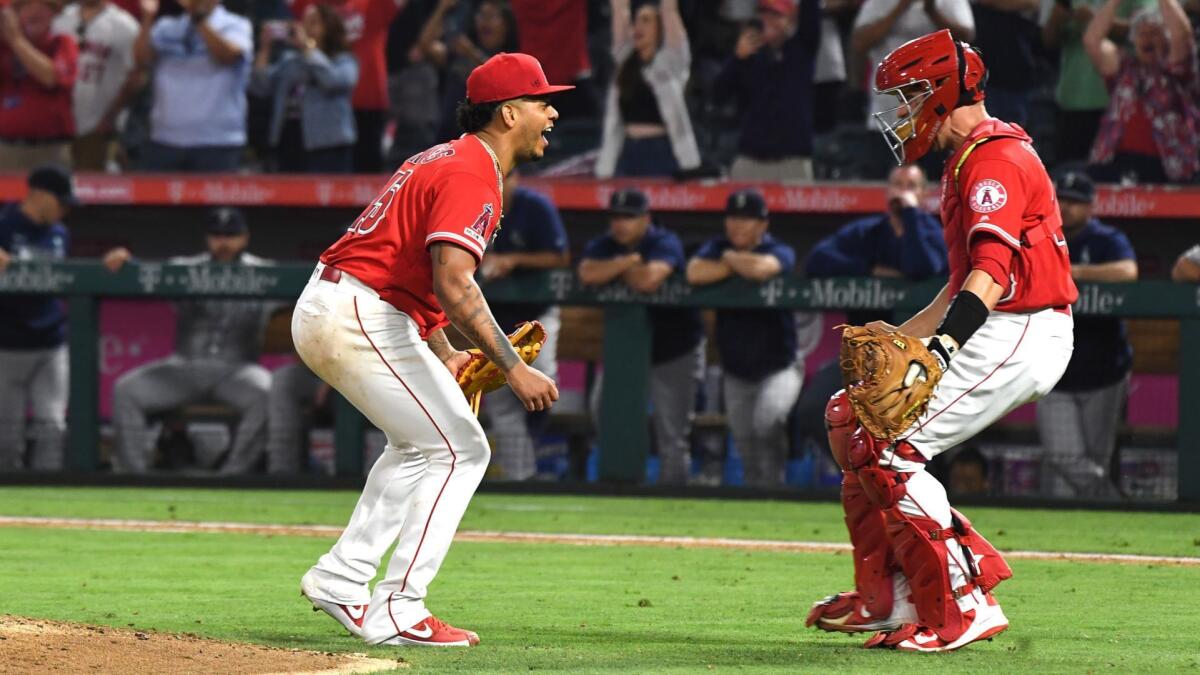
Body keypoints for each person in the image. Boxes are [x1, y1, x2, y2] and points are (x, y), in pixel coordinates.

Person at [806, 29, 1077, 652]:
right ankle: (890, 597)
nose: (899, 112)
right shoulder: (968, 157)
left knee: (889, 447)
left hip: (1023, 326)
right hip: (1004, 320)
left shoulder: (995, 159)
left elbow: (992, 275)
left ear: (942, 93)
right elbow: (960, 284)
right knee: (853, 416)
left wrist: (944, 348)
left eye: (908, 96)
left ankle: (963, 603)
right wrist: (902, 337)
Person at [293, 52, 565, 647]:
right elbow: (454, 281)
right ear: (510, 111)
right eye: (543, 101)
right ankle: (400, 608)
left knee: (422, 445)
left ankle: (343, 577)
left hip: (351, 306)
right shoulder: (474, 171)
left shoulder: (450, 156)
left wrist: (443, 350)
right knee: (459, 449)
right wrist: (511, 367)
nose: (553, 112)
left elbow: (420, 274)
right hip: (359, 312)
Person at [796, 163, 947, 463]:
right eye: (897, 185)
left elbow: (923, 267)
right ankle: (854, 473)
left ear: (923, 193)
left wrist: (912, 215)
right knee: (813, 408)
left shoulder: (931, 230)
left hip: (914, 358)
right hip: (862, 357)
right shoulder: (869, 232)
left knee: (914, 436)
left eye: (910, 185)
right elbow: (817, 260)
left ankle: (909, 494)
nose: (902, 192)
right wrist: (869, 271)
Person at [110, 208, 275, 474]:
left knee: (269, 393)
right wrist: (125, 263)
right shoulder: (185, 268)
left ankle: (233, 477)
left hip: (237, 371)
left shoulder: (265, 273)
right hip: (184, 367)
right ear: (207, 238)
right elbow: (145, 275)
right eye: (217, 235)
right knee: (126, 389)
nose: (223, 242)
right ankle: (135, 475)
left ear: (244, 238)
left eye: (230, 235)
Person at [0, 166, 126, 471]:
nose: (66, 209)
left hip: (49, 343)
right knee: (7, 438)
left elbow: (71, 277)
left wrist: (107, 264)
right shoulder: (4, 225)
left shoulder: (60, 234)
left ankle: (45, 503)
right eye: (61, 201)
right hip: (6, 346)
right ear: (39, 195)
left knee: (52, 427)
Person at [578, 188, 705, 485]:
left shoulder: (663, 241)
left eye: (629, 218)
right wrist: (627, 263)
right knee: (602, 411)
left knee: (672, 433)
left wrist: (615, 269)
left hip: (675, 349)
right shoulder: (605, 243)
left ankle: (674, 500)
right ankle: (618, 489)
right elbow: (586, 272)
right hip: (626, 353)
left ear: (646, 219)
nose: (620, 224)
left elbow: (648, 280)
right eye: (616, 217)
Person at [686, 189, 802, 488]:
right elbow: (694, 273)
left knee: (768, 422)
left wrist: (726, 261)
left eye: (747, 220)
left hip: (779, 365)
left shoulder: (779, 248)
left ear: (763, 225)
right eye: (733, 218)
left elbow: (763, 269)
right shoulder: (718, 246)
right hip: (736, 368)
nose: (737, 226)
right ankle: (756, 498)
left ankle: (776, 489)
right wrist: (733, 260)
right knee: (745, 440)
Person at [1037, 170, 1136, 498]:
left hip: (1104, 373)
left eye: (1074, 202)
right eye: (1061, 199)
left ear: (1090, 207)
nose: (1065, 207)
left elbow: (1127, 271)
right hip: (1054, 375)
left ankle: (1096, 535)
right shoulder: (1041, 236)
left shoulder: (1106, 239)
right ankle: (1117, 502)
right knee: (1063, 457)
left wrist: (1073, 272)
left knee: (1095, 460)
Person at [479, 170, 569, 481]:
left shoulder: (535, 207)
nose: (500, 185)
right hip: (492, 321)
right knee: (503, 403)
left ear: (517, 179)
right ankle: (521, 479)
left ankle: (529, 449)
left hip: (535, 317)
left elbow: (560, 257)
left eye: (506, 178)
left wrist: (514, 260)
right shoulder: (476, 205)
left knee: (545, 382)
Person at [1083, 0, 1198, 183]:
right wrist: (1114, 3)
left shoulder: (1177, 71)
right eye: (1141, 34)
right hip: (1115, 161)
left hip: (1167, 164)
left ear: (1165, 39)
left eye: (1154, 33)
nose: (1147, 38)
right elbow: (1092, 41)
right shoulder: (1122, 68)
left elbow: (1182, 35)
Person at [134, 0, 252, 172]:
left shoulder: (235, 25)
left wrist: (198, 20)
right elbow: (141, 61)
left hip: (217, 141)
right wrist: (148, 18)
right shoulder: (166, 27)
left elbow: (228, 56)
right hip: (165, 138)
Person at [287, 0, 404, 173]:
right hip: (321, 118)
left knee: (366, 177)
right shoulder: (313, 6)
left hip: (368, 101)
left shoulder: (372, 4)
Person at [716, 0, 821, 180]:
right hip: (750, 159)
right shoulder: (748, 55)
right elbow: (718, 95)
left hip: (792, 162)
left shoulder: (802, 49)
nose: (768, 20)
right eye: (764, 14)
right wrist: (737, 59)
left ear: (790, 21)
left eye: (776, 15)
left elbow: (811, 14)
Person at [1041, 0, 1155, 165]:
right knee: (1067, 177)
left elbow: (1145, 32)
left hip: (1114, 106)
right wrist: (1055, 20)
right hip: (1070, 100)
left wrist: (1094, 20)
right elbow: (1048, 41)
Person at [596, 0, 701, 178]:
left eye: (646, 20)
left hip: (660, 151)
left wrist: (668, 9)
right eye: (636, 21)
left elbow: (669, 9)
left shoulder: (671, 63)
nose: (638, 26)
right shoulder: (624, 61)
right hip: (627, 151)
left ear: (660, 29)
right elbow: (619, 8)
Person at [250, 4, 358, 173]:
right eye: (304, 23)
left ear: (329, 27)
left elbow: (331, 81)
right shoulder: (291, 60)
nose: (306, 28)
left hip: (328, 144)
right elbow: (260, 87)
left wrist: (307, 47)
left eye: (314, 22)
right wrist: (264, 48)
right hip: (289, 139)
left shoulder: (344, 61)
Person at [851, 0, 974, 127]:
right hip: (888, 103)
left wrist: (932, 11)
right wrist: (901, 6)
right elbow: (860, 42)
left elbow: (966, 37)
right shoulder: (880, 3)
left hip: (936, 99)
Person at [417, 0, 521, 147]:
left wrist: (472, 53)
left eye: (492, 16)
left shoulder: (512, 58)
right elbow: (426, 45)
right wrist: (441, 9)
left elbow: (500, 77)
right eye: (482, 15)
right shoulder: (461, 51)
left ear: (506, 23)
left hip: (486, 144)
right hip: (446, 141)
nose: (485, 21)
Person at [51, 0, 139, 171]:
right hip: (59, 125)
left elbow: (136, 76)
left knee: (93, 191)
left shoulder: (125, 25)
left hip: (99, 126)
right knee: (56, 187)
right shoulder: (59, 19)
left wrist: (111, 115)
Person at [0, 0, 77, 170]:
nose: (36, 12)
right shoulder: (4, 47)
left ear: (54, 14)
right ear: (16, 14)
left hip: (49, 149)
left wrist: (17, 40)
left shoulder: (62, 43)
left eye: (44, 7)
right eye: (27, 6)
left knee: (51, 196)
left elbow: (50, 77)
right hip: (6, 148)